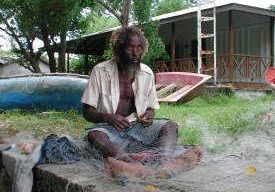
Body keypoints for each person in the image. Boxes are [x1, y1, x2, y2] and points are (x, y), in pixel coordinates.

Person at [81, 26, 202, 179]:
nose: (135, 53)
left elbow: (151, 108)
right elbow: (86, 111)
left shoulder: (147, 73)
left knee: (169, 126)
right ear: (119, 48)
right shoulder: (100, 71)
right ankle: (132, 165)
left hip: (138, 127)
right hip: (109, 128)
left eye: (139, 48)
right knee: (95, 135)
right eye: (130, 48)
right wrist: (108, 118)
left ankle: (165, 164)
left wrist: (149, 115)